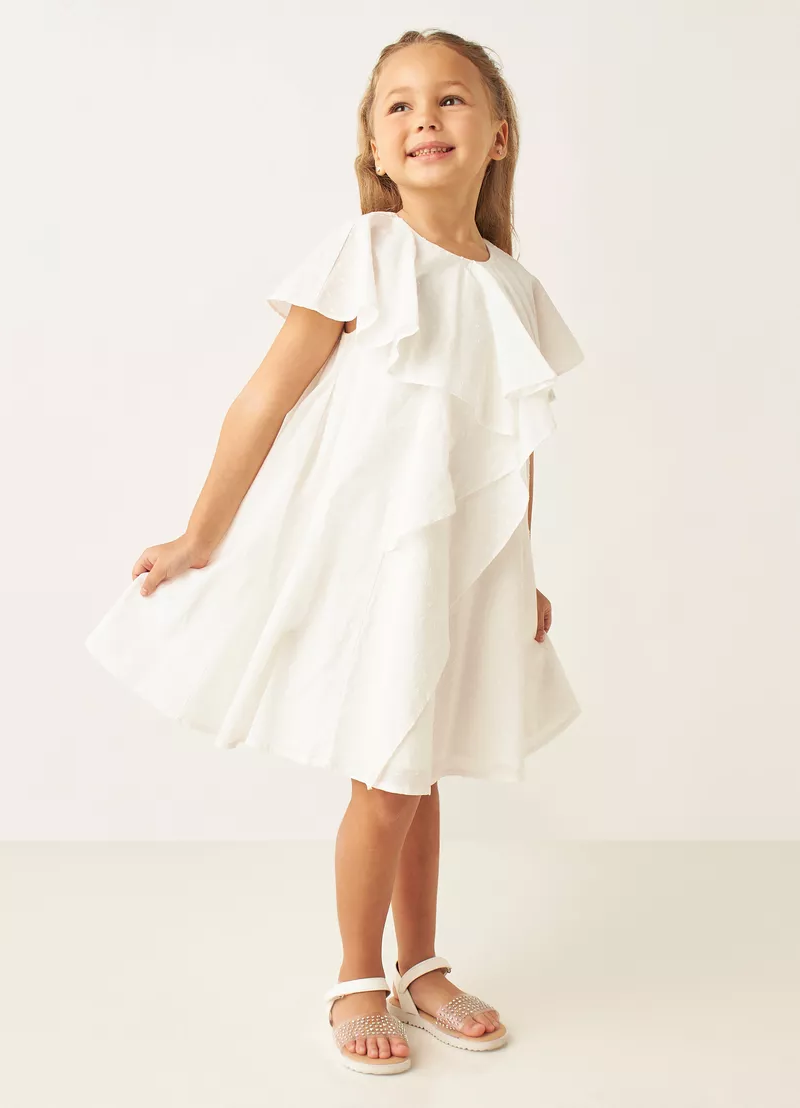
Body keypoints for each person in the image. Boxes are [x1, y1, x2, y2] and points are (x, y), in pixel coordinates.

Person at [84, 28, 586, 1076]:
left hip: (464, 561)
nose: (424, 119)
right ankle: (358, 976)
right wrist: (201, 532)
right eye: (398, 105)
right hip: (379, 551)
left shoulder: (515, 288)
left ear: (498, 136)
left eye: (450, 100)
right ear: (373, 144)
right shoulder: (368, 251)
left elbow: (514, 447)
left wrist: (523, 575)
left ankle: (422, 964)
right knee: (390, 771)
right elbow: (264, 399)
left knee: (423, 765)